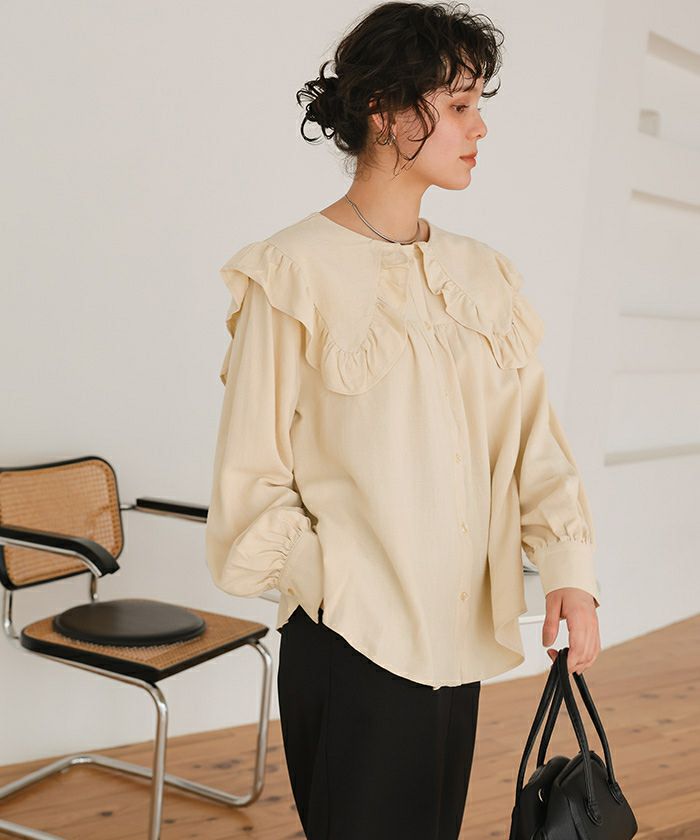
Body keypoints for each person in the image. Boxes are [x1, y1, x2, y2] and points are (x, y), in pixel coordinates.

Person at [205, 2, 602, 838]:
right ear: (383, 111)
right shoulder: (290, 272)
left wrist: (569, 569)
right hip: (354, 641)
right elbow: (251, 482)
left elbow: (535, 444)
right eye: (458, 105)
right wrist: (340, 583)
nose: (480, 126)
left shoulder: (485, 275)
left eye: (478, 103)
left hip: (457, 640)